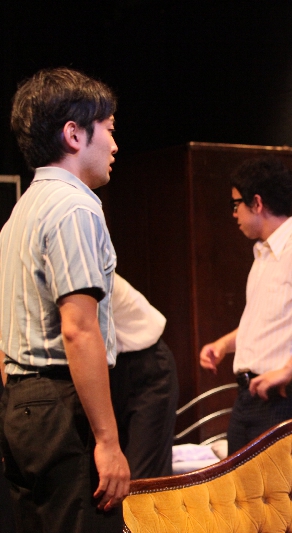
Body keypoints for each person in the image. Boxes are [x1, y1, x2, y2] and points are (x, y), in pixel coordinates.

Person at [0, 67, 129, 532]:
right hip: (60, 404)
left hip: (22, 405)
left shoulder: (20, 213)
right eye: (109, 130)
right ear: (74, 135)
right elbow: (78, 328)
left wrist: (19, 403)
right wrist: (107, 441)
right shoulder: (74, 207)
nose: (115, 146)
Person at [199, 156, 292, 454]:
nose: (234, 213)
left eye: (236, 204)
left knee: (277, 483)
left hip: (283, 395)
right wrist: (223, 345)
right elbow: (265, 322)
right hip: (249, 396)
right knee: (237, 482)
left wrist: (287, 369)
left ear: (257, 203)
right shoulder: (263, 253)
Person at [110, 273, 179, 479]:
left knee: (142, 483)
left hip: (146, 368)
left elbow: (80, 332)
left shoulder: (84, 263)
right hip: (109, 371)